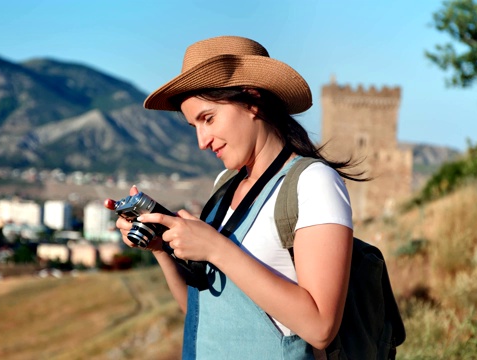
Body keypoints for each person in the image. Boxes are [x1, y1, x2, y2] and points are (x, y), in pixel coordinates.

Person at [104, 35, 364, 359]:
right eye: (193, 126)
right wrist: (159, 248)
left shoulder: (313, 182)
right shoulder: (225, 184)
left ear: (253, 101)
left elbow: (321, 328)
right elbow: (205, 313)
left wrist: (215, 247)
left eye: (208, 118)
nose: (202, 141)